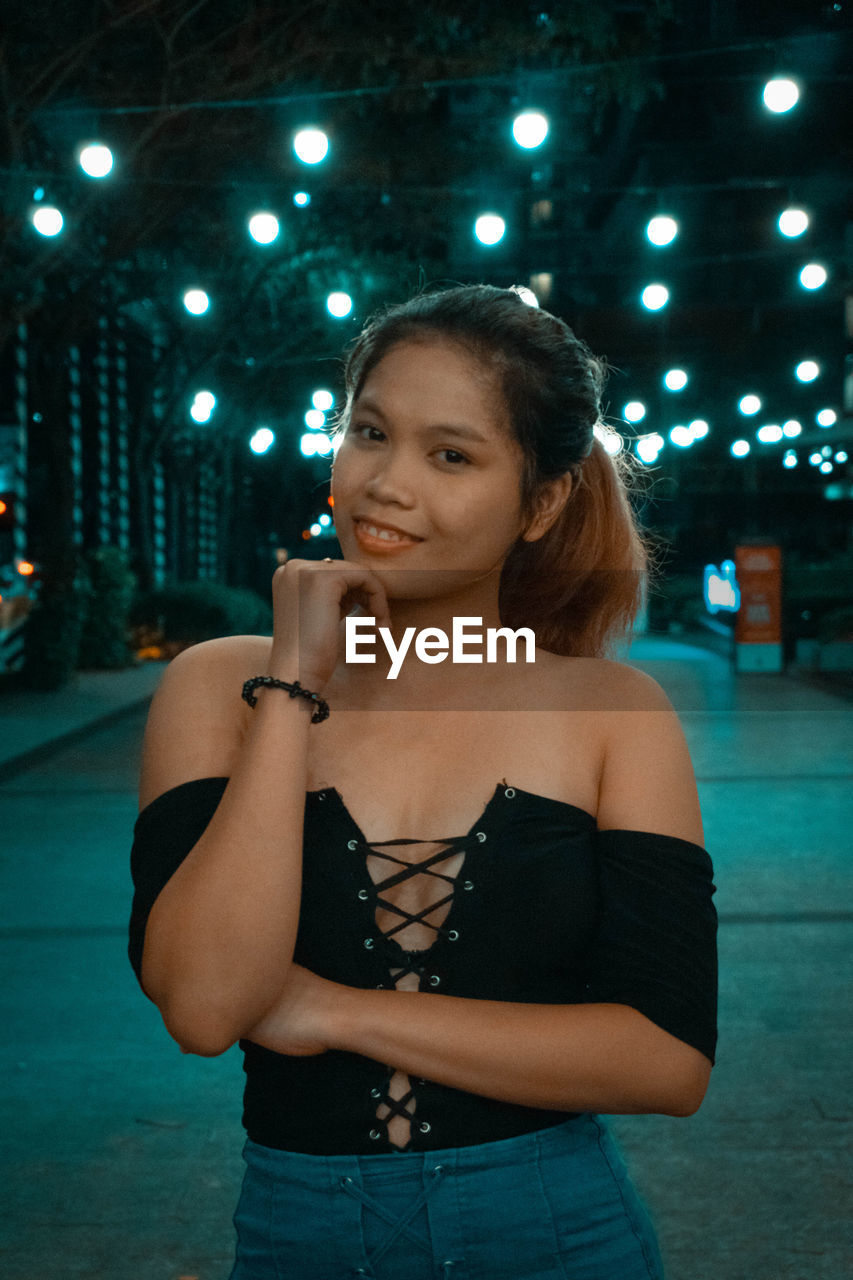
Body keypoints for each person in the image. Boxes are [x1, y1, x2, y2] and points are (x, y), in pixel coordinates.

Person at [129, 283, 717, 1280]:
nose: (386, 483)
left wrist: (331, 1009)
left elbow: (666, 1057)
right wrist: (290, 686)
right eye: (369, 431)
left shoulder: (613, 710)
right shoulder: (216, 685)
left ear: (540, 501)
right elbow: (202, 1003)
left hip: (561, 1235)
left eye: (450, 454)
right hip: (294, 1236)